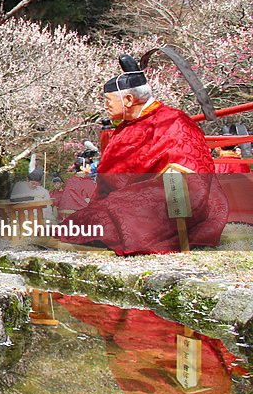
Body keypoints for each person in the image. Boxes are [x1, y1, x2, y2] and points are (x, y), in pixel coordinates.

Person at [59, 55, 227, 254]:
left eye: (108, 101)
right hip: (123, 198)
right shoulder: (125, 126)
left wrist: (127, 197)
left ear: (129, 99)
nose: (105, 106)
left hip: (170, 202)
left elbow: (189, 176)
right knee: (82, 218)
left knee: (106, 221)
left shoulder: (173, 122)